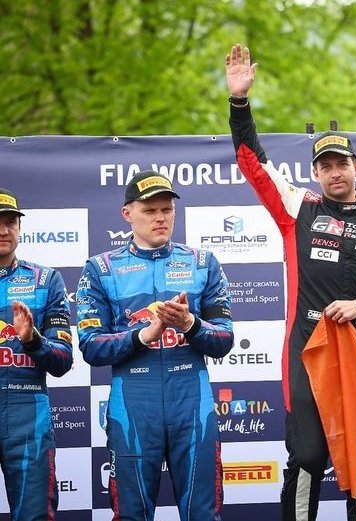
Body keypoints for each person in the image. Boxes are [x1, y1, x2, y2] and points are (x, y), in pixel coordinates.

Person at [225, 44, 356, 521]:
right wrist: (239, 103)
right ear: (315, 173)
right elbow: (253, 163)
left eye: (342, 163)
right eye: (326, 166)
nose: (335, 172)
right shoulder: (299, 208)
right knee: (308, 456)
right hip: (305, 351)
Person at [76, 171, 234, 520]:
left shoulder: (202, 263)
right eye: (149, 211)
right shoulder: (101, 268)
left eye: (167, 210)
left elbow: (224, 339)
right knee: (131, 514)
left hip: (191, 401)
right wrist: (143, 335)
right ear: (127, 214)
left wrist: (190, 324)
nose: (160, 218)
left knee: (202, 513)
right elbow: (90, 346)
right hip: (134, 403)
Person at [0, 187, 73, 521]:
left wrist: (31, 340)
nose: (4, 230)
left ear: (20, 227)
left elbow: (62, 361)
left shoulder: (46, 280)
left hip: (27, 414)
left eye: (10, 222)